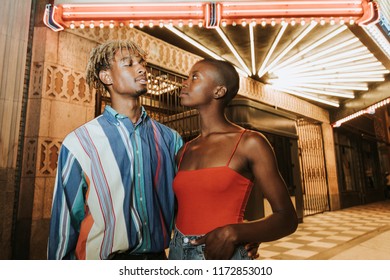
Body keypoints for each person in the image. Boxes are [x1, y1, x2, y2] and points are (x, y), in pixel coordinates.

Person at [47, 40, 183, 260]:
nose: (141, 69)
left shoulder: (171, 139)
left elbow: (187, 205)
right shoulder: (80, 142)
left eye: (142, 63)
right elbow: (65, 224)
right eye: (128, 64)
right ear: (106, 77)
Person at [168, 58, 298, 260]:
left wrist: (235, 233)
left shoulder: (249, 143)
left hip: (223, 254)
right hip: (177, 251)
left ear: (218, 91)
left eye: (194, 77)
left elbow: (287, 218)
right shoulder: (184, 151)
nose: (184, 83)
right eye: (187, 77)